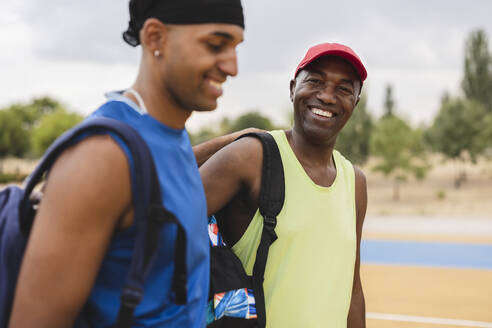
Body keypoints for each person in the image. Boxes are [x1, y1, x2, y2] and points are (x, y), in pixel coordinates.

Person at [9, 0, 244, 327]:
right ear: (155, 38)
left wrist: (236, 140)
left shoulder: (171, 138)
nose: (232, 66)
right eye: (216, 45)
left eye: (236, 47)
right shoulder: (101, 158)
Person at [197, 43, 368, 327]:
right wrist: (231, 141)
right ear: (292, 89)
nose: (327, 96)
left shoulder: (355, 181)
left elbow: (354, 289)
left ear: (355, 103)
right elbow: (162, 211)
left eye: (344, 88)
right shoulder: (252, 156)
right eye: (315, 81)